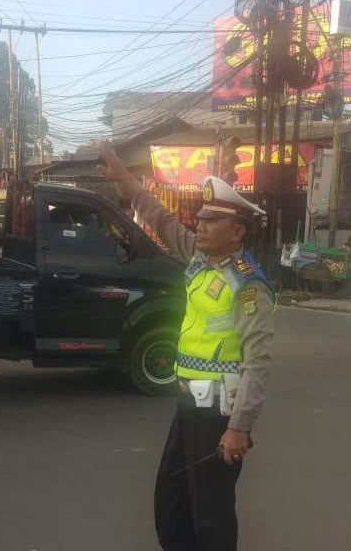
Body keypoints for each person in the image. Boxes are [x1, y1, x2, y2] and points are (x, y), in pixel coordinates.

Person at [99, 142, 274, 551]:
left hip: (219, 413)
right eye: (200, 218)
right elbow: (158, 218)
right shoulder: (199, 258)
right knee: (172, 502)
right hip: (188, 404)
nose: (199, 225)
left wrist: (239, 428)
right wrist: (124, 178)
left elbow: (258, 363)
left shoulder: (249, 285)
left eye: (211, 220)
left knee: (211, 513)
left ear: (237, 231)